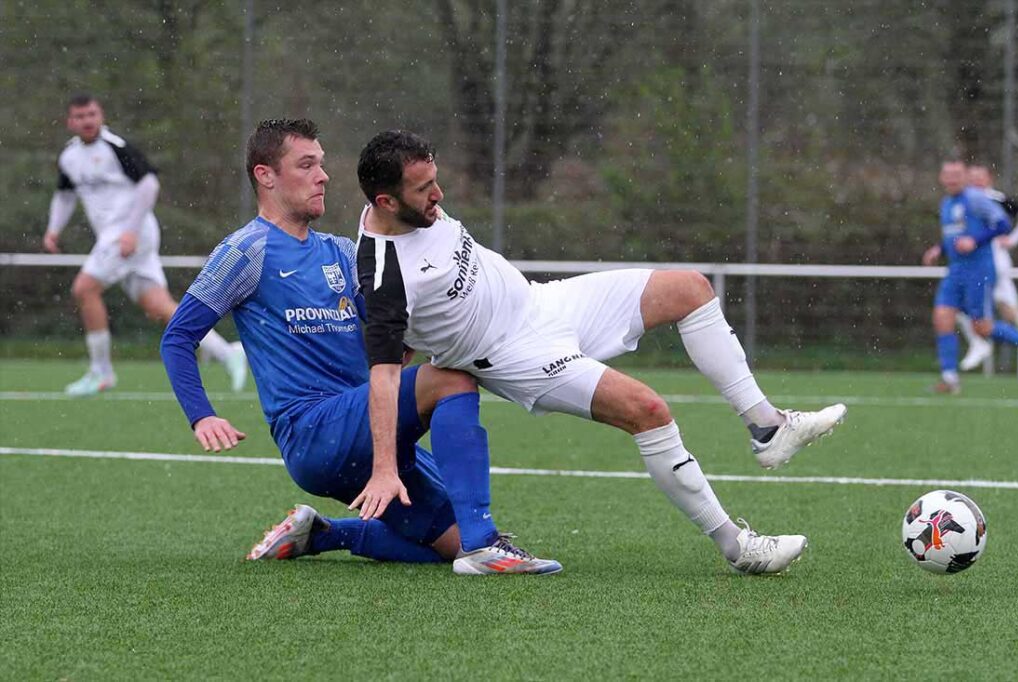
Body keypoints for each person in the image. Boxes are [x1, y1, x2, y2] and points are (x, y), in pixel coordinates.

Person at [355, 130, 849, 576]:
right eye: (423, 189)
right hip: (515, 355)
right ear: (386, 200)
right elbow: (385, 371)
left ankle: (768, 427)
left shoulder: (417, 209)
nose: (438, 195)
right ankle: (739, 547)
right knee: (649, 411)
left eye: (435, 180)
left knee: (689, 288)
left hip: (543, 302)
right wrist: (382, 465)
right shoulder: (382, 275)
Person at [161, 118, 560, 576]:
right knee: (450, 380)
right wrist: (201, 413)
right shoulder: (245, 251)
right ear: (264, 175)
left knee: (447, 543)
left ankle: (326, 534)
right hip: (314, 432)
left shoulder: (342, 252)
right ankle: (485, 549)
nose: (323, 176)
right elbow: (178, 337)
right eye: (306, 165)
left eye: (322, 164)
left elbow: (393, 331)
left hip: (372, 426)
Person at [43, 94, 247, 396]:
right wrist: (53, 229)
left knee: (84, 289)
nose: (87, 120)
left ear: (101, 116)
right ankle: (228, 352)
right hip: (117, 237)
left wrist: (131, 231)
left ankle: (101, 372)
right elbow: (65, 195)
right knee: (160, 307)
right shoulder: (69, 157)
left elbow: (150, 184)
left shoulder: (116, 147)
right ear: (70, 122)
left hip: (129, 233)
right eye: (80, 116)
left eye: (92, 114)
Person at [922, 160, 1018, 393]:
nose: (952, 179)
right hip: (956, 270)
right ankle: (949, 379)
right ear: (941, 178)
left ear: (964, 177)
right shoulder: (946, 203)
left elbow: (1003, 224)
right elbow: (954, 236)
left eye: (957, 174)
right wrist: (940, 249)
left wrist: (976, 241)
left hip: (979, 270)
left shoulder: (976, 199)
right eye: (948, 174)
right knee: (942, 317)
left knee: (982, 328)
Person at [956, 164, 1018, 371]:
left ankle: (980, 342)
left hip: (992, 264)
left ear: (989, 179)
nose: (976, 181)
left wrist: (1012, 239)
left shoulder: (993, 199)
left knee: (1006, 314)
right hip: (978, 265)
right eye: (972, 177)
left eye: (980, 177)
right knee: (960, 306)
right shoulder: (965, 201)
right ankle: (980, 342)